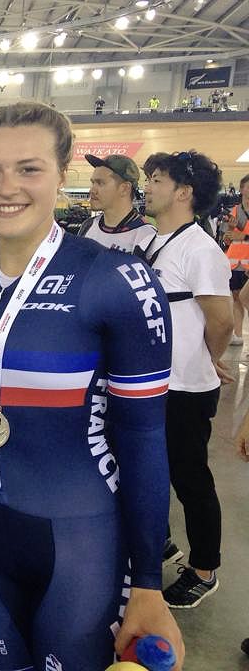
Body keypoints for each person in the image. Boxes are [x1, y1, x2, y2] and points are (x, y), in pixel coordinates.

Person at [0, 102, 183, 670]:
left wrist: (148, 580)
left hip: (81, 541)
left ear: (62, 170)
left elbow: (146, 439)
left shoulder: (115, 280)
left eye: (29, 169)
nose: (7, 188)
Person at [141, 150, 232, 609]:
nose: (148, 186)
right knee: (153, 470)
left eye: (156, 179)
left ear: (184, 192)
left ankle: (204, 568)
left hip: (186, 389)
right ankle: (161, 545)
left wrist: (205, 357)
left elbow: (222, 320)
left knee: (190, 478)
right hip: (156, 383)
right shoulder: (162, 240)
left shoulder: (201, 249)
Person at [79, 153, 156, 253]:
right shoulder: (88, 225)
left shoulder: (146, 235)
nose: (92, 190)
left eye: (100, 183)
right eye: (93, 183)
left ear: (124, 189)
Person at [223, 174, 249, 345]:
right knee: (236, 298)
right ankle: (238, 335)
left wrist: (244, 236)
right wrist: (229, 234)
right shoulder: (234, 211)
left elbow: (242, 235)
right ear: (241, 189)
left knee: (244, 297)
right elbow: (227, 238)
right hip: (234, 262)